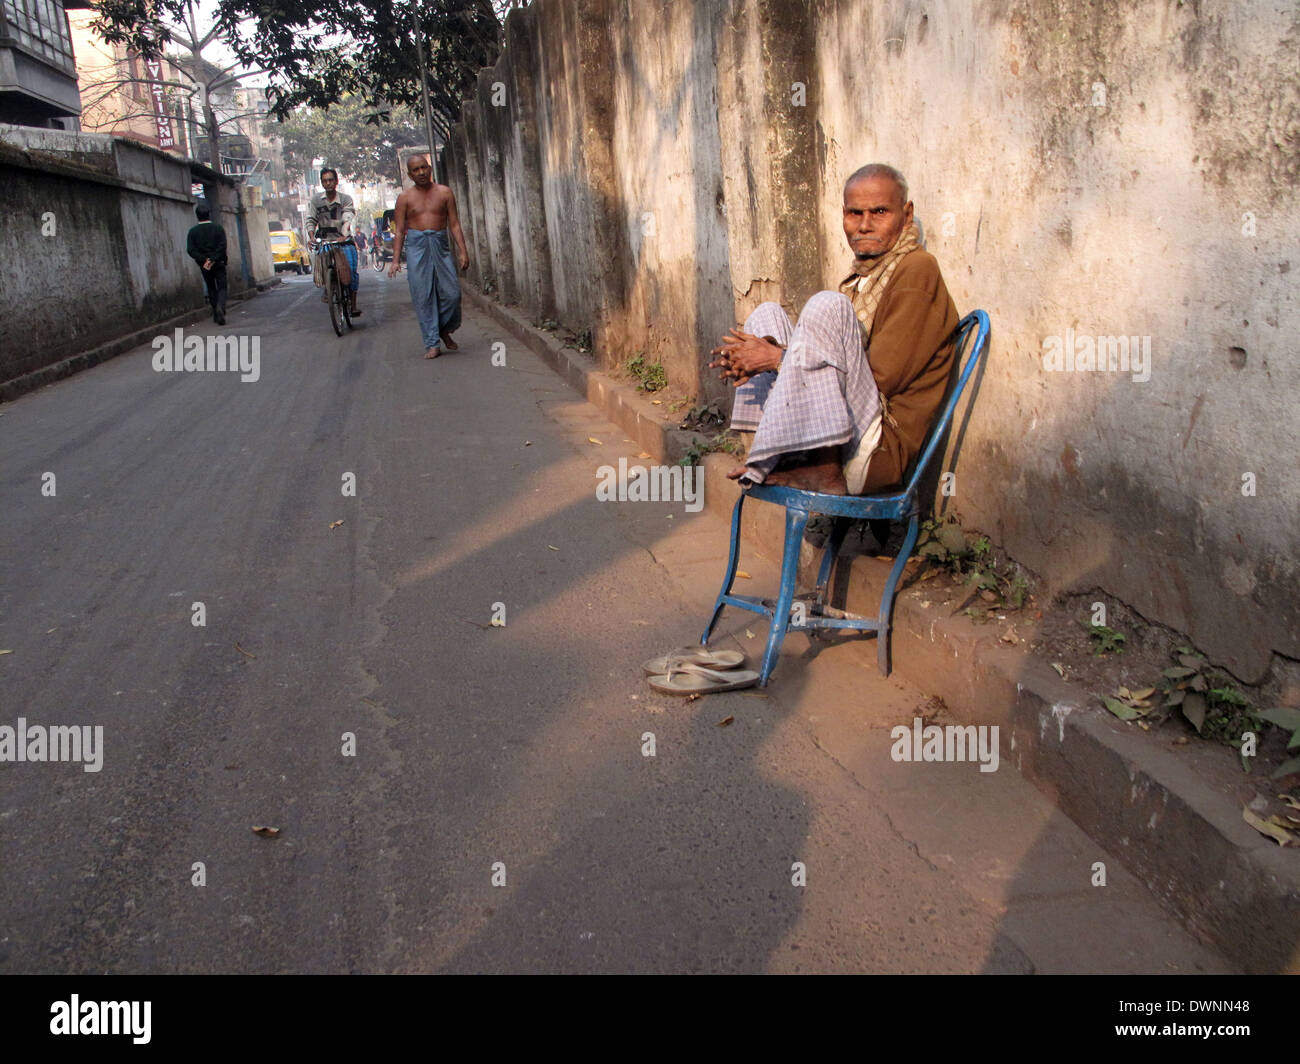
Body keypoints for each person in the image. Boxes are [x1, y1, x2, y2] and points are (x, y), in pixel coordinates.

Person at [709, 164, 959, 495]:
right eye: (855, 213)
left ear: (906, 214)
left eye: (880, 212)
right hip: (845, 427)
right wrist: (757, 354)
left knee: (827, 306)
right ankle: (772, 453)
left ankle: (821, 470)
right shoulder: (863, 278)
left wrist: (776, 359)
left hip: (876, 448)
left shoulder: (916, 270)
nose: (865, 225)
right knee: (765, 315)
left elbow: (881, 377)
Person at [388, 155, 469, 358]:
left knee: (452, 294)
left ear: (430, 168)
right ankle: (432, 343)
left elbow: (455, 224)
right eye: (416, 170)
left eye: (424, 167)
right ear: (409, 174)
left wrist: (463, 251)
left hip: (440, 243)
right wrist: (396, 260)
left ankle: (443, 328)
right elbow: (399, 231)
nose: (421, 172)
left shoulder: (445, 193)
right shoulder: (404, 198)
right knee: (423, 295)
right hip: (416, 245)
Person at [306, 168, 362, 317]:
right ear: (322, 183)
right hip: (325, 241)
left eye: (331, 180)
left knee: (350, 271)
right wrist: (311, 236)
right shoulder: (316, 201)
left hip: (344, 241)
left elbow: (348, 217)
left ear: (336, 181)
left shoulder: (345, 199)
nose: (328, 183)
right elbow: (311, 219)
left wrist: (344, 234)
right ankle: (328, 288)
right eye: (325, 181)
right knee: (323, 267)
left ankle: (353, 305)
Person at [186, 201, 227, 326]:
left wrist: (204, 259)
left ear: (197, 216)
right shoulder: (218, 228)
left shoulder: (193, 232)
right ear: (209, 214)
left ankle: (215, 312)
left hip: (204, 265)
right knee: (222, 286)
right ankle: (221, 306)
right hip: (218, 262)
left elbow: (191, 250)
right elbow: (222, 246)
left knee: (211, 287)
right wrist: (214, 258)